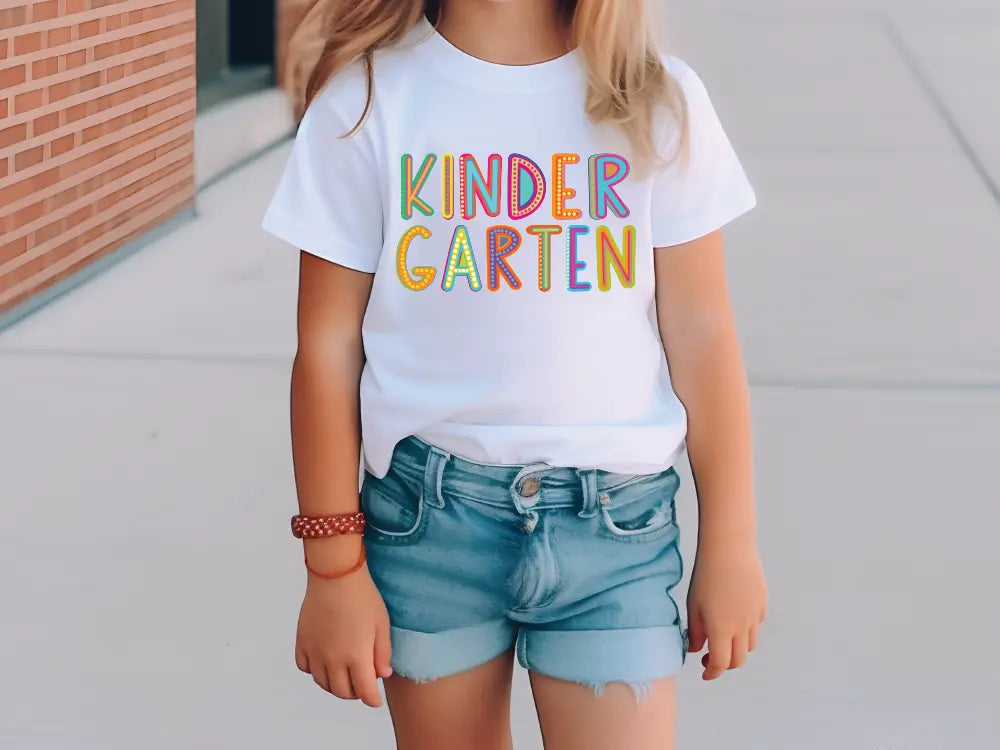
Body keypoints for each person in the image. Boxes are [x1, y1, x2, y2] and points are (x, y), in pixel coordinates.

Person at [262, 1, 767, 748]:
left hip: (614, 532)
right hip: (429, 527)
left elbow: (702, 333)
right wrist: (332, 569)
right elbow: (327, 348)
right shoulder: (366, 100)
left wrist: (731, 542)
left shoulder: (656, 98)